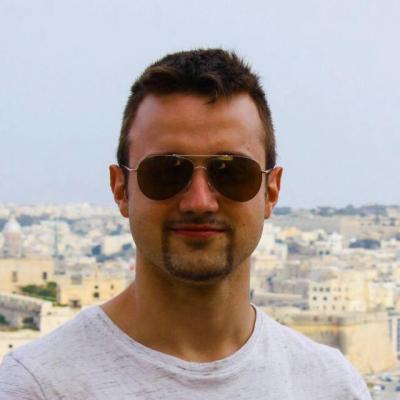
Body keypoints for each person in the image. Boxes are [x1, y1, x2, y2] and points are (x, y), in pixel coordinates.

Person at [0, 49, 371, 399]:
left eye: (231, 172)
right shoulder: (36, 386)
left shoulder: (332, 386)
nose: (199, 201)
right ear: (121, 189)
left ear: (270, 192)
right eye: (166, 172)